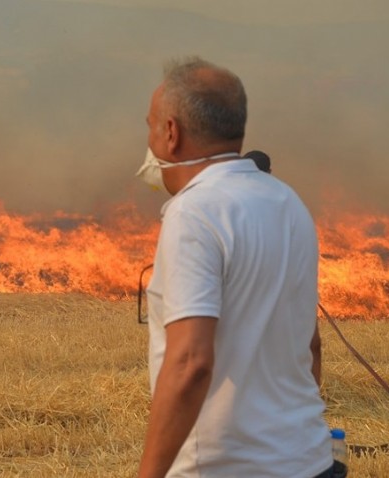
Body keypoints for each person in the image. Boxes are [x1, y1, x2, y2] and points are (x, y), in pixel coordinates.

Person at [135, 57, 337, 478]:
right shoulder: (287, 202)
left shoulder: (194, 212)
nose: (150, 141)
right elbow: (310, 346)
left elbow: (191, 362)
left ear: (171, 133)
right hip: (309, 461)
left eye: (151, 126)